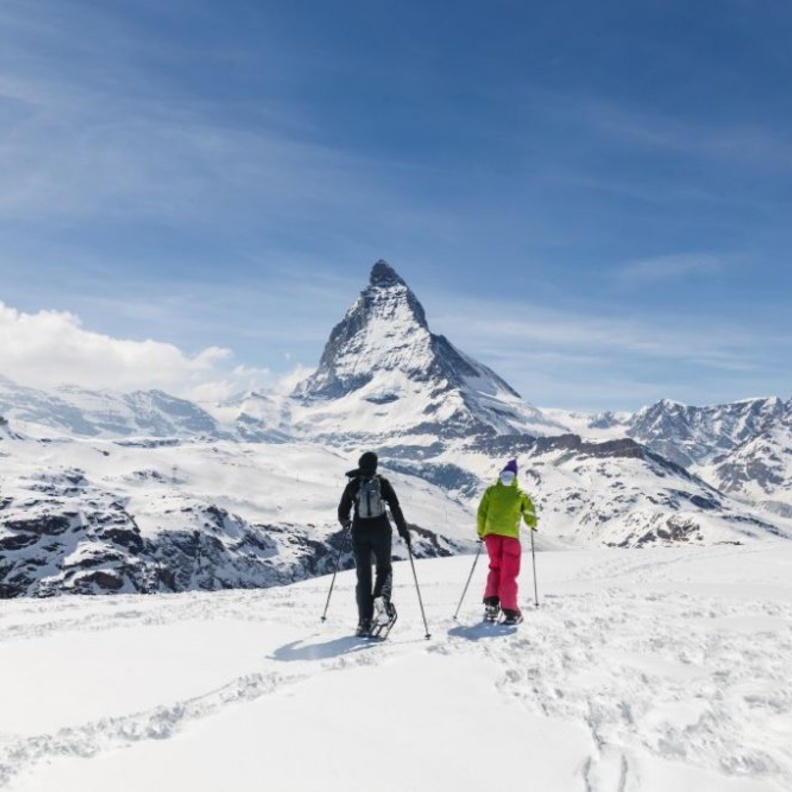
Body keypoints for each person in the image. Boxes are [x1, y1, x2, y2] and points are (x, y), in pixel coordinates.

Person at [338, 451, 411, 636]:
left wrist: (347, 523)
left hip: (360, 533)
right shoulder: (382, 483)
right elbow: (395, 507)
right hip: (381, 530)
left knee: (363, 576)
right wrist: (404, 532)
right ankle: (381, 603)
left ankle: (363, 621)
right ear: (375, 465)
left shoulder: (353, 485)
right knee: (384, 570)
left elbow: (342, 512)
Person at [476, 458, 538, 624]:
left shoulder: (491, 491)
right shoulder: (520, 494)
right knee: (508, 574)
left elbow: (481, 513)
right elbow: (530, 514)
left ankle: (491, 606)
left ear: (501, 474)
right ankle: (511, 612)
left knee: (495, 568)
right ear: (515, 476)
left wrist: (481, 532)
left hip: (491, 537)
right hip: (510, 537)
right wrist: (532, 524)